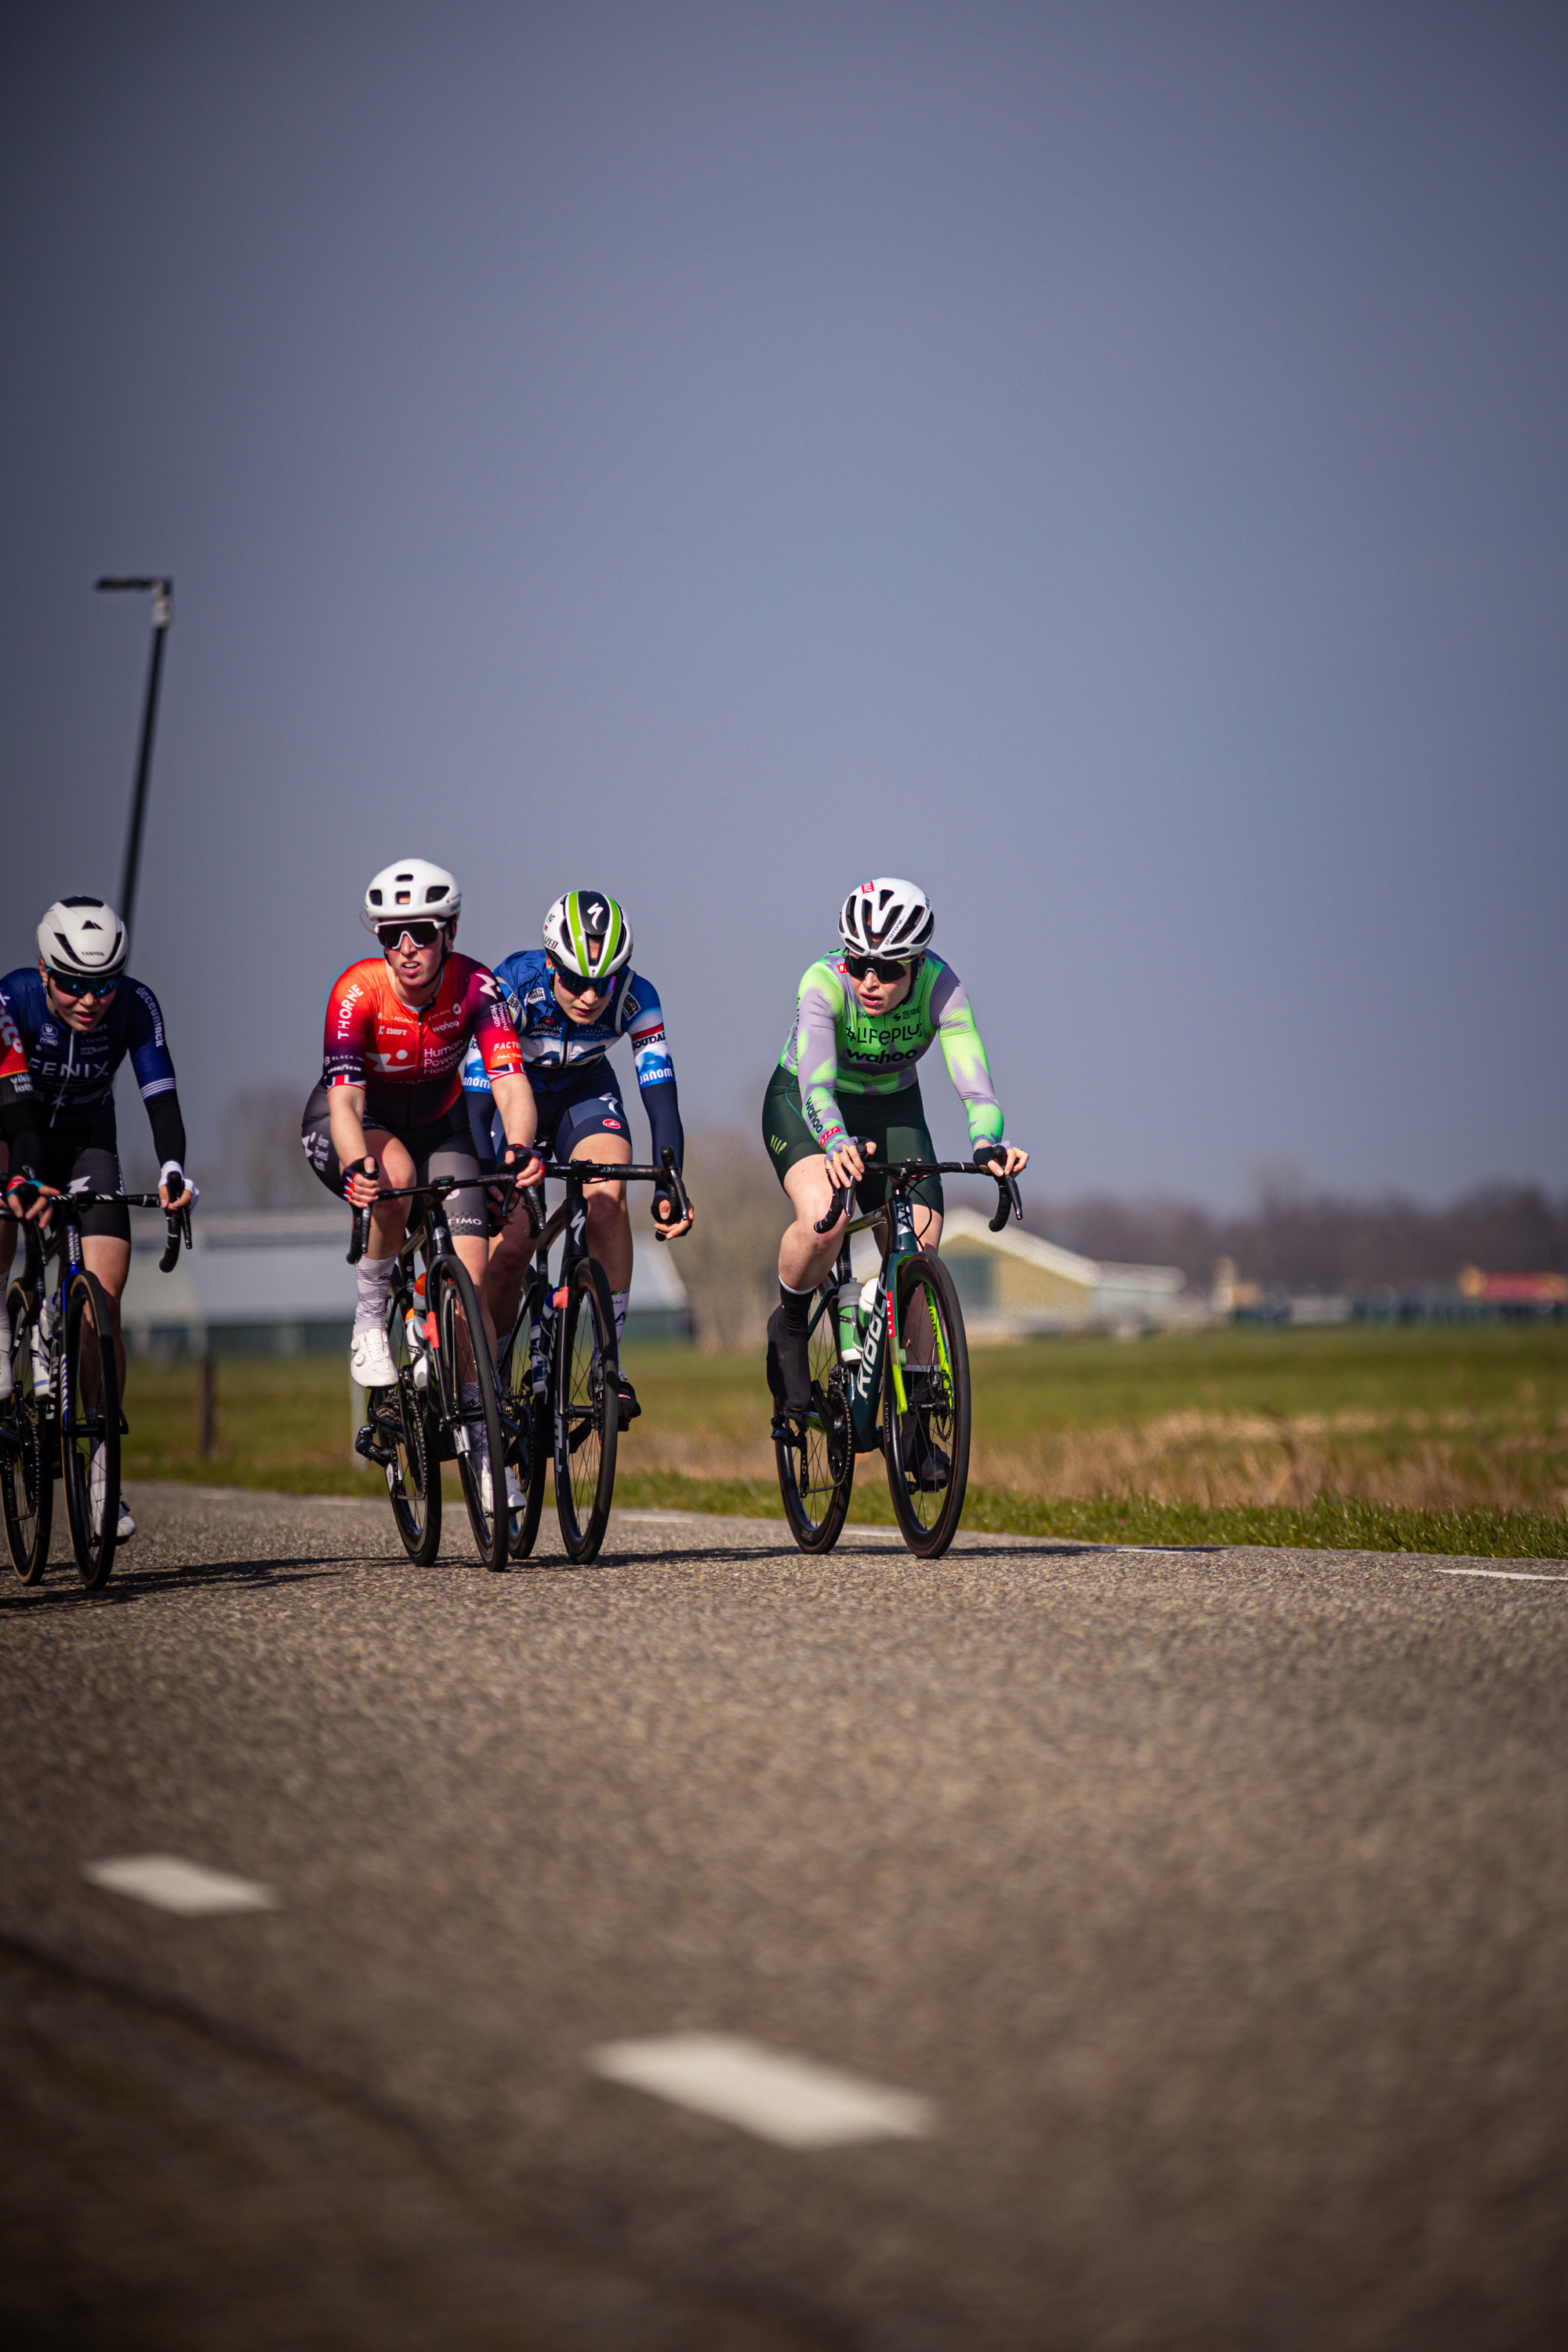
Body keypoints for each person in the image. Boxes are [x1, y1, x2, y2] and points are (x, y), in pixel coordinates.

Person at [762, 876, 1029, 1466]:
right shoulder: (823, 984)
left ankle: (917, 1415)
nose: (870, 982)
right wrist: (834, 1143)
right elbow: (817, 1085)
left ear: (916, 964)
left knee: (918, 1246)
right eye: (859, 965)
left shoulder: (942, 988)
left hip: (892, 1107)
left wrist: (988, 1143)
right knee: (824, 1223)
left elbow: (976, 1087)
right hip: (808, 1106)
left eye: (887, 969)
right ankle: (791, 1322)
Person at [301, 859, 540, 1515]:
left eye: (422, 934)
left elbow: (514, 1087)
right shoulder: (357, 992)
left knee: (471, 1283)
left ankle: (485, 1453)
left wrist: (517, 1148)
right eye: (391, 935)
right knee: (396, 1177)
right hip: (360, 1123)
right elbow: (345, 1105)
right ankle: (372, 1308)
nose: (406, 949)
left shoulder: (478, 988)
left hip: (443, 1126)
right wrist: (358, 1165)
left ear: (450, 932)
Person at [0, 896, 198, 1543]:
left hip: (89, 1141)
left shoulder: (135, 1007)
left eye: (104, 984)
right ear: (43, 970)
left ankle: (105, 1482)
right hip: (14, 1136)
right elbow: (18, 1112)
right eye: (74, 984)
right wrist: (21, 1179)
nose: (91, 999)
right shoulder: (15, 1001)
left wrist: (172, 1169)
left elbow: (160, 1096)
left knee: (103, 1300)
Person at [460, 889, 691, 1431]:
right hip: (508, 1094)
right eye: (574, 980)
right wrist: (490, 1179)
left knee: (608, 1197)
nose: (590, 996)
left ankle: (607, 1362)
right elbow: (474, 1108)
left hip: (583, 1093)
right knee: (512, 1245)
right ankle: (487, 1370)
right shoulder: (509, 988)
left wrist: (669, 1182)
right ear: (549, 964)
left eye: (603, 983)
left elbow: (661, 1098)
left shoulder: (639, 998)